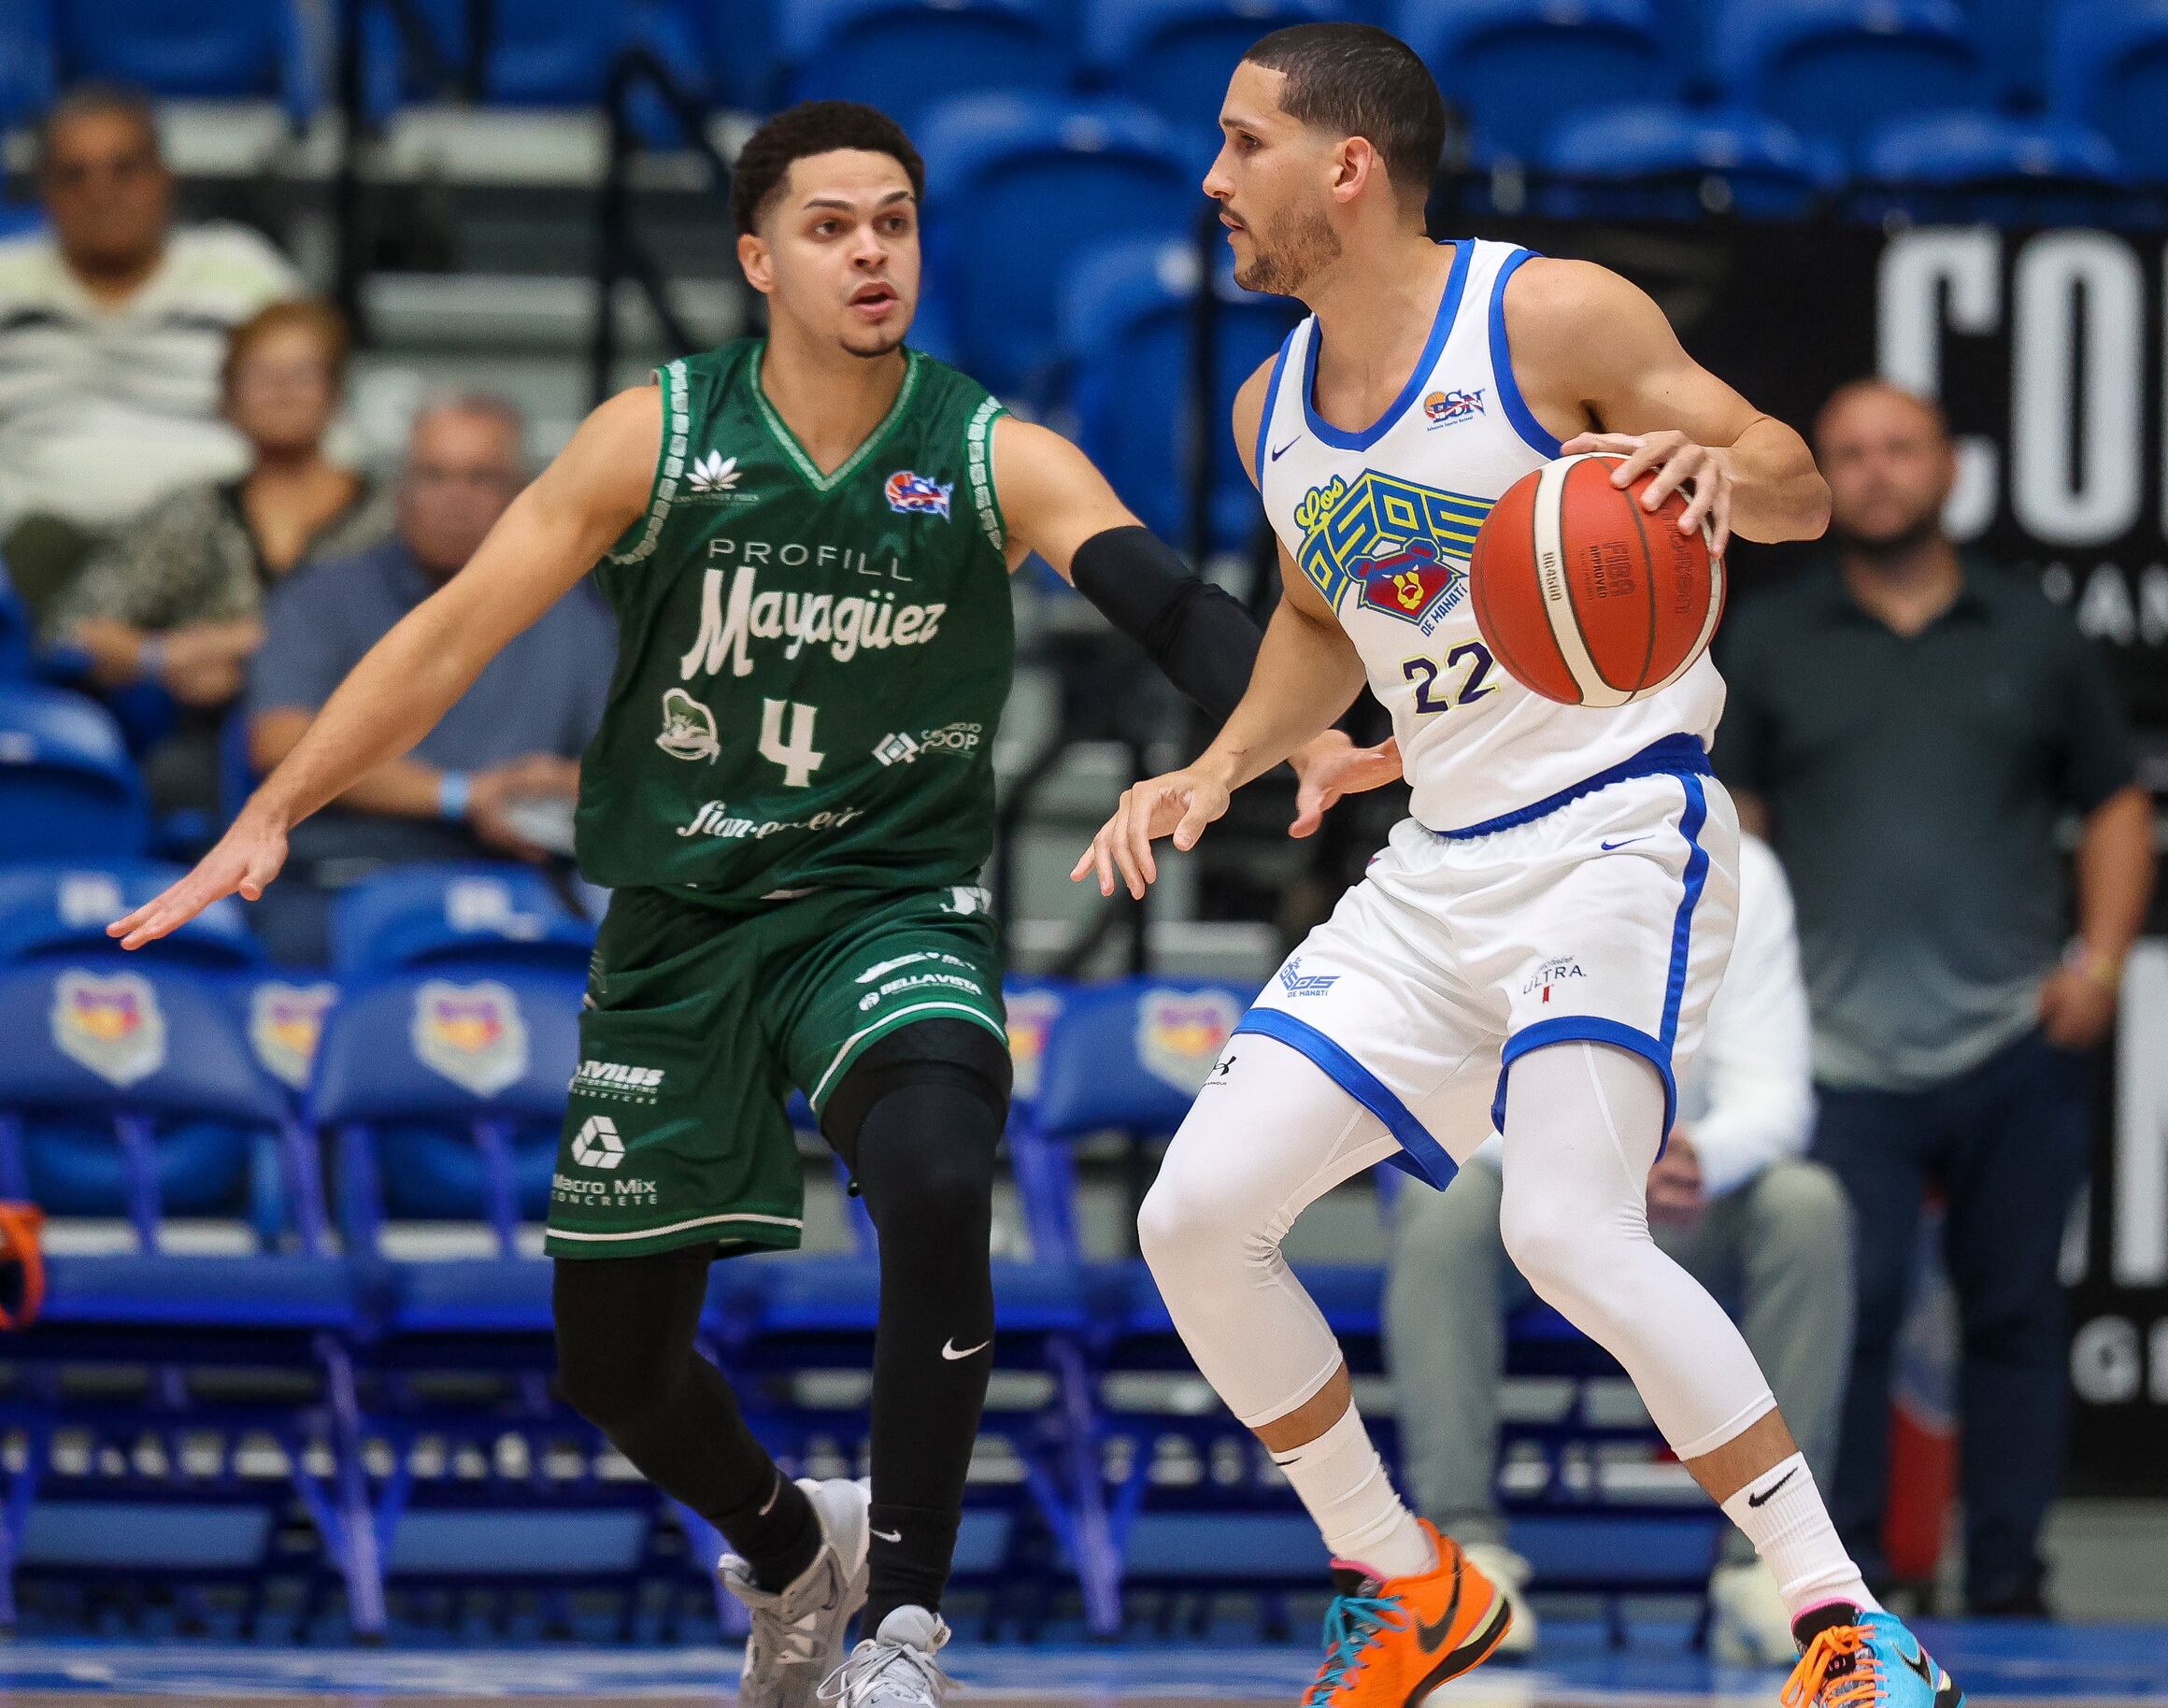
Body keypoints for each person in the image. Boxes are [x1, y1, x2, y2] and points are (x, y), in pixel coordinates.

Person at [108, 101, 1395, 1708]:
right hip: (681, 915)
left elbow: (1175, 609)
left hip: (886, 901)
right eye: (832, 226)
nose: (871, 252)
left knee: (937, 1168)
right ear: (756, 257)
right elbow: (452, 634)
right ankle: (795, 1548)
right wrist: (272, 809)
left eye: (897, 222)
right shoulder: (654, 436)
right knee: (611, 1365)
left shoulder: (992, 448)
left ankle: (907, 1627)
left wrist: (1317, 730)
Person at [1076, 26, 1965, 1707]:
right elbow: (1320, 617)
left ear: (1348, 164)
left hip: (1616, 828)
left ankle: (1847, 1619)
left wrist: (1726, 473)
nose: (1210, 179)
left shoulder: (1546, 315)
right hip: (1436, 866)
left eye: (1241, 142)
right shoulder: (1275, 402)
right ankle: (1414, 1582)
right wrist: (1231, 757)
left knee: (1566, 1223)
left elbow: (1789, 482)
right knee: (1195, 1215)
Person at [1711, 378, 2156, 1618]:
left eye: (1899, 448)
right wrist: (1749, 1002)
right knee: (1840, 1318)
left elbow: (2116, 801)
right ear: (1825, 480)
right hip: (1837, 1050)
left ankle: (2010, 1582)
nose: (1875, 472)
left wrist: (2103, 963)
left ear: (1950, 468)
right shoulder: (1774, 637)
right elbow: (1731, 826)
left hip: (2015, 1036)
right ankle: (1841, 1587)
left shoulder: (2034, 634)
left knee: (2014, 1316)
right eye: (1847, 452)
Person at [1382, 833, 1850, 1665]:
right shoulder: (1495, 850)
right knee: (1439, 1212)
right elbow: (1443, 1079)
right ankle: (1465, 1555)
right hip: (1526, 1179)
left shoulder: (1744, 867)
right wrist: (1585, 1153)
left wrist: (1701, 1156)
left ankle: (1772, 1571)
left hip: (1677, 1197)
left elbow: (1775, 1093)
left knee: (1807, 1209)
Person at [241, 393, 609, 965]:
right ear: (399, 490)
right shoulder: (321, 597)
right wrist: (463, 796)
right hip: (346, 873)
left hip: (528, 875)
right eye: (434, 475)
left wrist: (567, 783)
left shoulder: (581, 613)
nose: (455, 498)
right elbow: (280, 744)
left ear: (523, 493)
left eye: (480, 477)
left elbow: (640, 763)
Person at [49, 299, 392, 820]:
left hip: (370, 739)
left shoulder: (390, 518)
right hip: (210, 747)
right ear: (227, 397)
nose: (281, 392)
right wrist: (163, 657)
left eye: (302, 374)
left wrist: (253, 645)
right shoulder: (194, 513)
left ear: (336, 391)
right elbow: (70, 629)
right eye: (261, 375)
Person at [0, 84, 300, 616]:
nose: (100, 192)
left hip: (217, 557)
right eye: (74, 175)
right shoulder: (5, 280)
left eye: (125, 169)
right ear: (44, 190)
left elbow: (320, 417)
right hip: (30, 556)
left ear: (164, 178)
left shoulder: (242, 272)